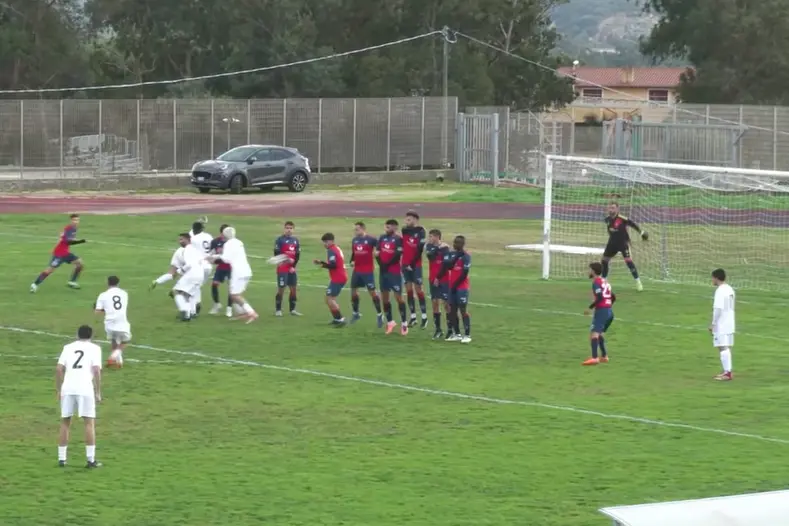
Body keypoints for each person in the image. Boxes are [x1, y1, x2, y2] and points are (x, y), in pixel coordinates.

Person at [56, 324, 102, 468]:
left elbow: (58, 369)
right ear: (91, 335)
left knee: (65, 423)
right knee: (89, 423)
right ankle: (90, 460)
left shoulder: (67, 347)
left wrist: (59, 389)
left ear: (77, 334)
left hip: (68, 388)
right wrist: (98, 391)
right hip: (85, 388)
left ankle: (62, 459)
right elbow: (96, 371)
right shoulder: (95, 348)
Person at [208, 226, 258, 323]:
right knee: (235, 294)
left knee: (234, 295)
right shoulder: (239, 242)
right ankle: (242, 313)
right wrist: (215, 256)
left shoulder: (228, 244)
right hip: (247, 271)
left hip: (238, 272)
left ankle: (251, 312)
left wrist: (213, 258)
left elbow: (226, 259)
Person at [31, 213, 86, 292]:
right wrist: (80, 241)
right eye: (74, 220)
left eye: (77, 220)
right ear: (71, 220)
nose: (76, 222)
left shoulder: (74, 229)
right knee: (49, 270)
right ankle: (35, 284)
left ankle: (72, 282)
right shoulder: (68, 228)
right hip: (59, 254)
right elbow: (68, 242)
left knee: (80, 263)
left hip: (65, 253)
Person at [602, 202, 647, 290]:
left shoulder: (622, 219)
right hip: (612, 244)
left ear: (618, 209)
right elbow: (610, 231)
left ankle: (638, 282)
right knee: (604, 261)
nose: (611, 209)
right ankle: (604, 282)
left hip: (623, 244)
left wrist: (641, 232)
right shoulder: (606, 219)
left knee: (628, 262)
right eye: (610, 208)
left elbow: (633, 224)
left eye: (613, 208)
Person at [437, 235, 472, 343]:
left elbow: (464, 274)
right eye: (455, 242)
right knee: (452, 311)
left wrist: (455, 286)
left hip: (461, 287)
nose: (456, 244)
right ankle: (457, 334)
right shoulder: (452, 254)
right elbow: (448, 267)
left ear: (463, 244)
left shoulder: (466, 256)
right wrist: (456, 257)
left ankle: (467, 335)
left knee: (463, 310)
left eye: (459, 243)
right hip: (452, 286)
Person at [377, 219, 408, 336]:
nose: (387, 228)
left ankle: (404, 323)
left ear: (395, 228)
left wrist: (387, 264)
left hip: (394, 272)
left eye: (389, 227)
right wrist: (381, 265)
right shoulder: (381, 238)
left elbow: (397, 255)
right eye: (386, 226)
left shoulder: (398, 239)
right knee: (385, 298)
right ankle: (390, 322)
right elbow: (377, 253)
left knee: (398, 298)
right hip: (383, 272)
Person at [349, 222, 383, 326]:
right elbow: (354, 253)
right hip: (357, 270)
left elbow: (380, 247)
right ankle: (356, 313)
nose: (355, 231)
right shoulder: (355, 240)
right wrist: (351, 261)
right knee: (353, 292)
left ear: (363, 229)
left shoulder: (371, 239)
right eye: (355, 229)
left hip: (368, 271)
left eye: (357, 229)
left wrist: (379, 257)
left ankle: (379, 314)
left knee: (372, 293)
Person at [582, 262, 615, 366]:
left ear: (593, 271)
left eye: (590, 269)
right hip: (609, 311)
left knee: (594, 334)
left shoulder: (596, 282)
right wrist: (608, 305)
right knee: (599, 333)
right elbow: (613, 296)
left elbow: (600, 297)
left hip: (602, 311)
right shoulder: (605, 281)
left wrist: (590, 308)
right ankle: (604, 356)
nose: (588, 271)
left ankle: (595, 358)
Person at [95, 275, 131, 368]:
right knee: (125, 341)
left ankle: (119, 363)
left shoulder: (102, 295)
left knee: (114, 340)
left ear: (107, 283)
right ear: (118, 283)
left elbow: (98, 311)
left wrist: (103, 309)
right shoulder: (124, 293)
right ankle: (113, 357)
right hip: (122, 321)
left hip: (109, 323)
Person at [314, 233, 348, 326]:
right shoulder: (336, 248)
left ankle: (340, 319)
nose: (325, 244)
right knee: (330, 298)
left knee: (329, 299)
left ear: (331, 241)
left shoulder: (331, 250)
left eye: (326, 242)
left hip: (338, 277)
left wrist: (322, 264)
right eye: (323, 242)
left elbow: (333, 265)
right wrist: (322, 262)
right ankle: (337, 319)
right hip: (340, 276)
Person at [401, 211, 428, 328]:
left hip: (415, 265)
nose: (407, 221)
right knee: (408, 290)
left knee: (419, 289)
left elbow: (419, 250)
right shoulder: (404, 230)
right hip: (405, 264)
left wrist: (411, 264)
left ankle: (424, 317)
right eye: (406, 219)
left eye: (410, 219)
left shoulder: (421, 231)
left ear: (416, 220)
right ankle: (413, 317)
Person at [425, 229, 451, 340]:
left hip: (444, 279)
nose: (429, 238)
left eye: (431, 236)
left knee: (446, 304)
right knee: (435, 303)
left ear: (437, 237)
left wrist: (438, 278)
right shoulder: (429, 247)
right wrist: (438, 247)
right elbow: (430, 256)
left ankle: (450, 329)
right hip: (432, 279)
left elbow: (446, 265)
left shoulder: (446, 248)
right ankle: (438, 330)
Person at [710, 268, 735, 381]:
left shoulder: (720, 291)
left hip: (722, 323)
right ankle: (727, 371)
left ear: (716, 278)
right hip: (730, 322)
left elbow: (718, 309)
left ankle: (727, 373)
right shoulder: (730, 289)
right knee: (725, 347)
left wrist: (713, 323)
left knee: (722, 347)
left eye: (712, 278)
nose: (712, 280)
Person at [273, 221, 302, 317]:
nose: (289, 230)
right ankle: (278, 310)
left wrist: (293, 267)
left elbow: (297, 255)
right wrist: (286, 259)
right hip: (282, 268)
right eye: (287, 228)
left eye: (290, 228)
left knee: (293, 289)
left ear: (293, 229)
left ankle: (292, 310)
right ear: (284, 229)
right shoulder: (279, 240)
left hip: (291, 269)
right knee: (281, 289)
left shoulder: (295, 240)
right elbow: (276, 254)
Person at [189, 221, 214, 317]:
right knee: (197, 286)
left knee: (193, 286)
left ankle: (195, 307)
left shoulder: (193, 239)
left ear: (194, 229)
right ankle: (195, 307)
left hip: (199, 266)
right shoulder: (209, 236)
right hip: (208, 266)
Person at [209, 224, 233, 317]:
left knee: (231, 287)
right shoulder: (215, 241)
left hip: (231, 267)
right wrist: (212, 260)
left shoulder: (232, 243)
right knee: (214, 284)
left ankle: (229, 308)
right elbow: (212, 254)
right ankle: (217, 304)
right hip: (221, 267)